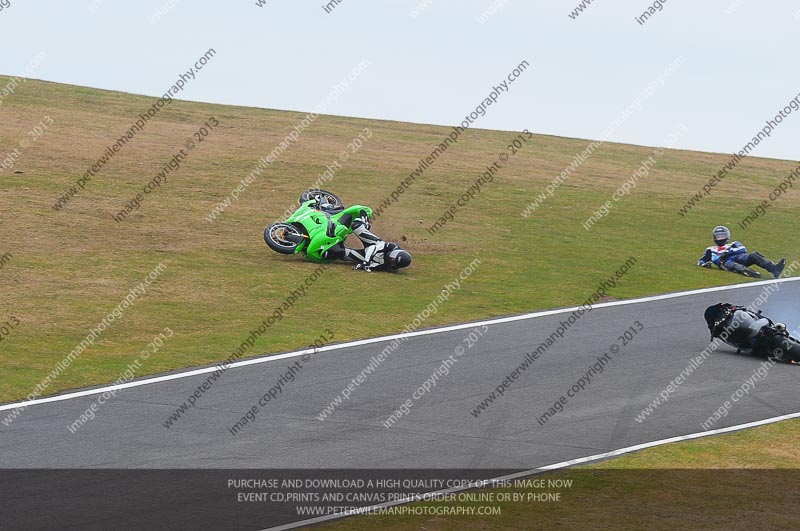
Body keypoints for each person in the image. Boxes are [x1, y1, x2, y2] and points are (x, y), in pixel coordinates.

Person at [321, 205, 412, 272]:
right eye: (393, 256)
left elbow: (376, 266)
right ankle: (363, 218)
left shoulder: (389, 267)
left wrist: (365, 265)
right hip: (373, 243)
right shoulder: (393, 246)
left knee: (336, 252)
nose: (391, 258)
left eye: (393, 260)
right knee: (355, 225)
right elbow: (374, 247)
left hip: (366, 256)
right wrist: (366, 262)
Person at [697, 226, 786, 279]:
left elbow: (743, 249)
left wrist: (729, 252)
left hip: (740, 257)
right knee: (731, 264)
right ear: (715, 237)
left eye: (722, 236)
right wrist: (705, 264)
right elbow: (701, 261)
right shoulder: (711, 249)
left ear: (727, 236)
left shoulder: (733, 243)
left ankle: (775, 269)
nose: (720, 238)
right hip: (725, 262)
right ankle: (749, 272)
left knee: (754, 254)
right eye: (718, 236)